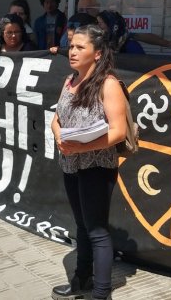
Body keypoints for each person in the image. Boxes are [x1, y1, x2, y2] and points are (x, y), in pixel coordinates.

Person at [51, 24, 127, 300]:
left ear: (97, 53)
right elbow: (56, 119)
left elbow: (119, 132)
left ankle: (101, 293)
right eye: (71, 46)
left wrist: (83, 146)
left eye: (80, 47)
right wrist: (61, 138)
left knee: (96, 230)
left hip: (97, 165)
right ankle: (81, 280)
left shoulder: (108, 84)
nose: (72, 51)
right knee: (81, 226)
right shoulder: (68, 81)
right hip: (71, 163)